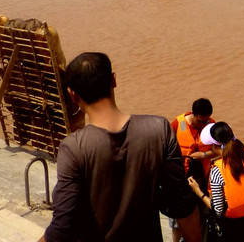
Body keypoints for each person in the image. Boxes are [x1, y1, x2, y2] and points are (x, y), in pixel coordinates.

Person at [40, 52, 201, 242]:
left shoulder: (73, 148)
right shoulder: (159, 130)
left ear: (72, 95)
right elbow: (181, 203)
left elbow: (63, 226)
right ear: (114, 80)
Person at [189, 121, 244, 242]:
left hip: (233, 227)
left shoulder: (217, 171)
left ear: (214, 146)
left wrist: (198, 191)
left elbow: (218, 209)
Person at [170, 99, 217, 242]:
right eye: (200, 121)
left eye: (206, 120)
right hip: (181, 181)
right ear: (193, 114)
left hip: (202, 180)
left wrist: (203, 155)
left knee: (202, 217)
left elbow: (220, 151)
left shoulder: (211, 125)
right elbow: (165, 151)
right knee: (177, 223)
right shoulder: (177, 124)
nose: (204, 124)